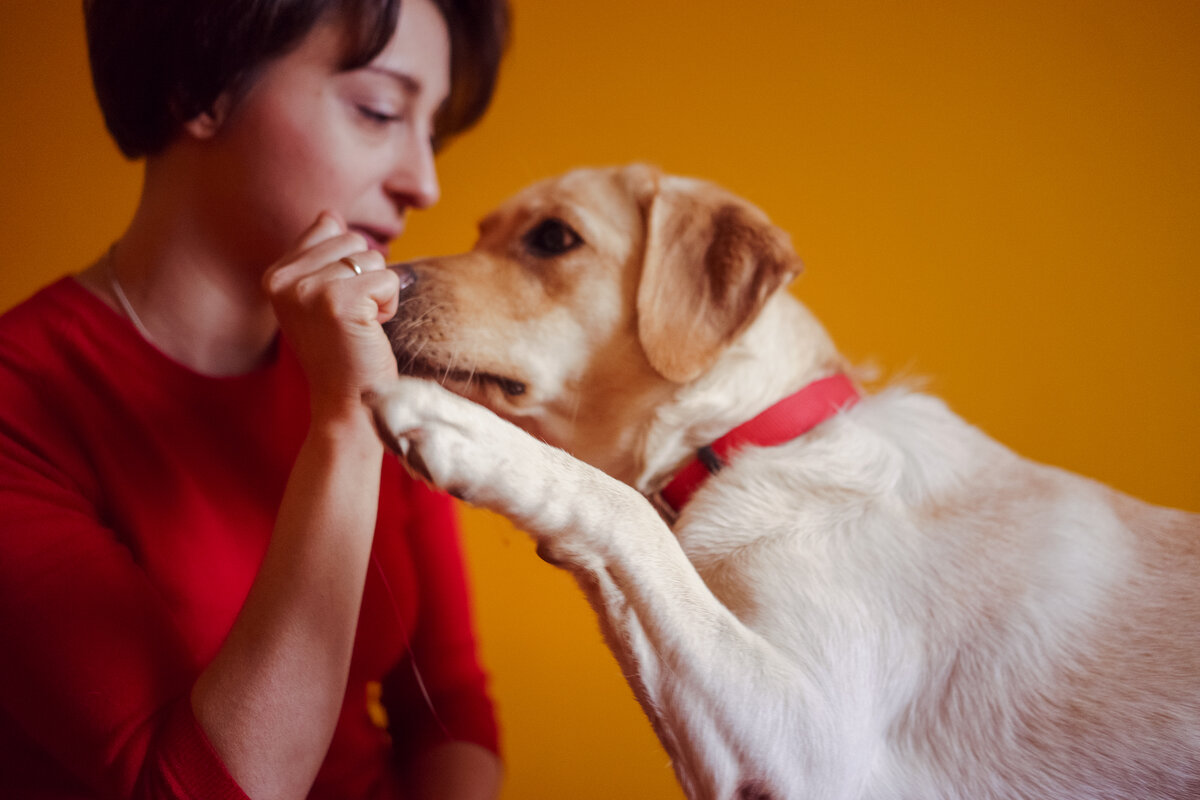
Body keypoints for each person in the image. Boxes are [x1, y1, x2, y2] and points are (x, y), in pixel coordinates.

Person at [0, 0, 509, 797]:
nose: (426, 182)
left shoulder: (378, 360)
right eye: (379, 110)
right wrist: (346, 424)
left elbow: (448, 707)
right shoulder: (20, 404)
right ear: (197, 92)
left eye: (431, 129)